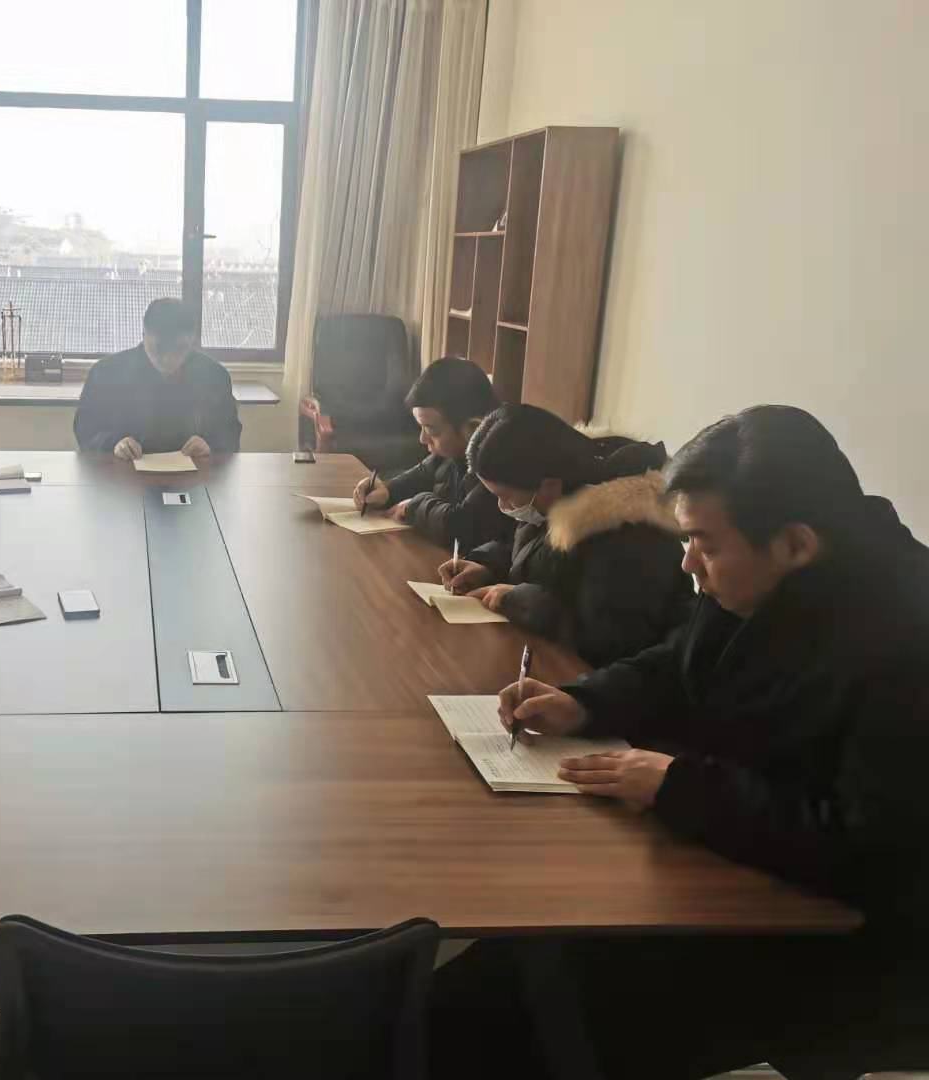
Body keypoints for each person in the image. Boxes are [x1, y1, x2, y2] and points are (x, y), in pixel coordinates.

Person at [430, 406, 929, 1078]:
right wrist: (584, 700)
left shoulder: (907, 642)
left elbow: (861, 850)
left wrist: (678, 786)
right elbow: (677, 661)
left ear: (795, 545)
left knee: (545, 1012)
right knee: (502, 968)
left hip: (825, 937)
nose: (686, 561)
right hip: (723, 859)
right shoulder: (766, 577)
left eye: (703, 544)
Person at [438, 404, 691, 666]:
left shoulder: (630, 533)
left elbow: (609, 640)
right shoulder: (559, 495)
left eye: (506, 497)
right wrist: (487, 566)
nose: (503, 507)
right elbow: (540, 556)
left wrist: (515, 600)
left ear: (549, 485)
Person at [350, 356, 512, 550]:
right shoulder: (451, 454)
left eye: (431, 429)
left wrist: (412, 506)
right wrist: (387, 491)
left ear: (471, 428)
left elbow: (461, 527)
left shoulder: (499, 464)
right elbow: (423, 474)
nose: (422, 439)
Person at [73, 297, 242, 459]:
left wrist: (211, 445)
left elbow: (230, 432)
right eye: (159, 348)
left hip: (196, 472)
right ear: (143, 335)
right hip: (124, 471)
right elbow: (85, 429)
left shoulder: (214, 376)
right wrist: (113, 444)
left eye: (179, 348)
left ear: (192, 340)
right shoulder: (106, 373)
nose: (168, 359)